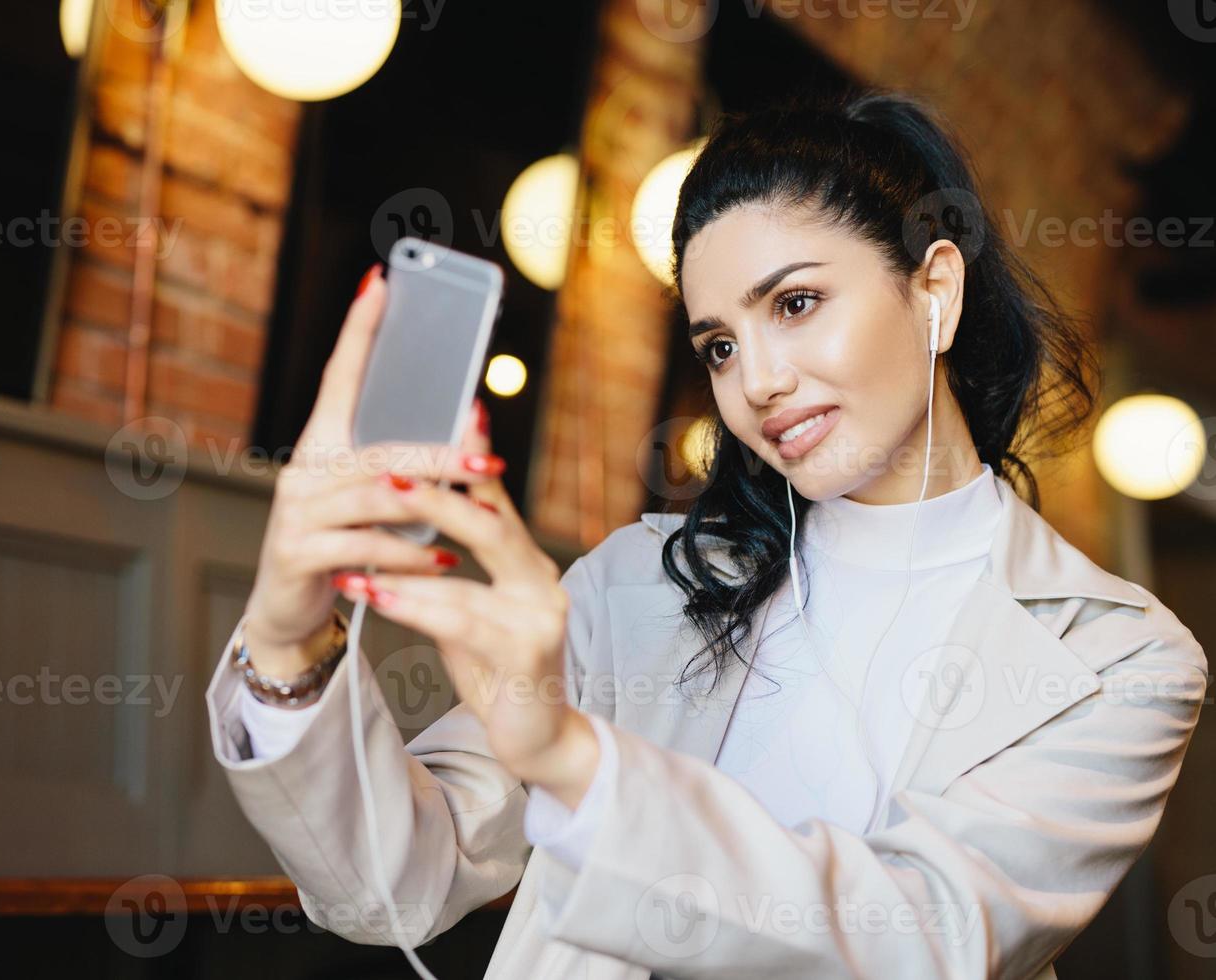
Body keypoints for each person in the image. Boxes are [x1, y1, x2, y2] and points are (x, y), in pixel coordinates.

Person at [204, 88, 1208, 979]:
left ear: (934, 287)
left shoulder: (1120, 655)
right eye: (719, 344)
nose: (757, 380)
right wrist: (290, 639)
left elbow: (928, 935)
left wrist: (569, 756)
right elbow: (396, 886)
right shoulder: (638, 583)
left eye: (798, 302)